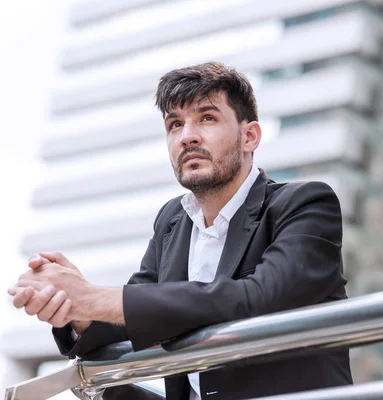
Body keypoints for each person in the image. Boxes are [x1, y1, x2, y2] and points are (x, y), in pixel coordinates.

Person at [8, 62, 353, 399]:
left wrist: (96, 298)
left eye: (207, 118)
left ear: (250, 136)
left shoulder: (306, 203)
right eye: (174, 124)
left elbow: (261, 299)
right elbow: (131, 315)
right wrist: (76, 309)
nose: (187, 136)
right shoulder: (172, 220)